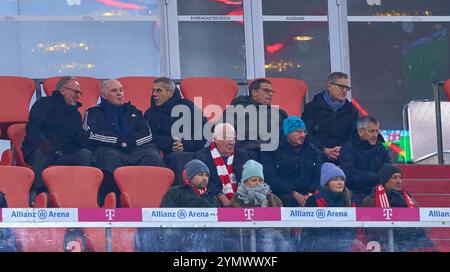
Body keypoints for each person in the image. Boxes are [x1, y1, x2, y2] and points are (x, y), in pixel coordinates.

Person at [136, 160, 232, 252]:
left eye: (207, 175)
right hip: (181, 236)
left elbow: (219, 224)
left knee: (231, 243)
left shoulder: (212, 198)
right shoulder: (176, 192)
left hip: (207, 237)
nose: (205, 178)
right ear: (190, 177)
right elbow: (165, 218)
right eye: (200, 175)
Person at [23, 76, 92, 204]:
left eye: (79, 93)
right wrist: (43, 143)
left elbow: (75, 139)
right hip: (41, 149)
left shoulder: (75, 114)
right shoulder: (44, 104)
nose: (78, 95)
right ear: (63, 90)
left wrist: (83, 138)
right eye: (75, 91)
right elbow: (33, 127)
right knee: (41, 153)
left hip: (63, 152)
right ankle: (41, 194)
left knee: (85, 155)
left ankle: (77, 192)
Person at [83, 79, 165, 173]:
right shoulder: (93, 112)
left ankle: (147, 187)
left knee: (152, 157)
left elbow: (147, 134)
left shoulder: (134, 111)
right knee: (110, 157)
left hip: (136, 148)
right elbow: (90, 134)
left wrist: (131, 141)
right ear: (104, 96)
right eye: (114, 91)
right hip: (109, 148)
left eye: (121, 90)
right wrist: (118, 141)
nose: (119, 93)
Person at [144, 77, 207, 185]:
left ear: (169, 93)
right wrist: (171, 143)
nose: (154, 94)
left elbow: (203, 130)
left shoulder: (188, 106)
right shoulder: (150, 114)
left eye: (159, 90)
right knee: (178, 158)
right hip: (168, 153)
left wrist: (185, 144)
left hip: (193, 148)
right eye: (153, 90)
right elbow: (150, 137)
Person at [361, 164, 437, 252]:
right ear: (385, 181)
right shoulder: (371, 200)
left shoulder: (409, 199)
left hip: (410, 241)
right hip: (385, 242)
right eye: (394, 178)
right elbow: (370, 229)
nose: (399, 181)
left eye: (400, 178)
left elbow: (424, 224)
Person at [230, 160, 292, 252]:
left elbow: (284, 223)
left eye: (260, 180)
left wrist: (277, 233)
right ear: (245, 182)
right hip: (246, 240)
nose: (258, 183)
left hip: (274, 239)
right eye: (254, 180)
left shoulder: (272, 198)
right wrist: (257, 231)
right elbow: (234, 227)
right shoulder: (237, 199)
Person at [261, 116, 322, 207]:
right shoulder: (271, 151)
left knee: (313, 201)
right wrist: (293, 192)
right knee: (289, 201)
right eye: (298, 131)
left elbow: (318, 176)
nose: (302, 135)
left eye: (304, 131)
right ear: (287, 133)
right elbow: (271, 178)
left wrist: (309, 194)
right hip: (281, 194)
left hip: (307, 194)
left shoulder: (312, 151)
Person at [298, 163, 357, 252]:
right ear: (326, 183)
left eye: (342, 179)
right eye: (335, 179)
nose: (340, 183)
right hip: (319, 246)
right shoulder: (313, 200)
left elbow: (353, 230)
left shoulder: (349, 200)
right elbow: (308, 231)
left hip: (344, 245)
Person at [221, 78, 287, 159]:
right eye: (266, 91)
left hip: (273, 153)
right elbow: (221, 131)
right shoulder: (237, 109)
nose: (270, 94)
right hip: (246, 152)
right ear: (254, 92)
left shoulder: (279, 114)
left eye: (271, 91)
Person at [302, 72, 359, 164]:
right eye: (341, 86)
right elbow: (306, 133)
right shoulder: (312, 108)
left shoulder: (352, 111)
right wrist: (324, 149)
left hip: (343, 158)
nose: (344, 91)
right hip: (314, 158)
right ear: (329, 85)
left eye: (347, 88)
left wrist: (342, 149)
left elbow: (354, 136)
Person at [194, 123, 252, 207]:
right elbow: (204, 182)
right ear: (215, 139)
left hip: (242, 199)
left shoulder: (243, 155)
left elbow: (249, 180)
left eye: (233, 139)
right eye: (226, 138)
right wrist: (220, 195)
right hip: (214, 199)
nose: (231, 143)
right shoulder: (203, 156)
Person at [340, 115, 390, 205]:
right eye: (371, 131)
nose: (375, 135)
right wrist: (377, 177)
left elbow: (388, 174)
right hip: (354, 194)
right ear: (360, 131)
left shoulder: (381, 149)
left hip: (378, 192)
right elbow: (350, 176)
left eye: (377, 131)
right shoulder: (347, 148)